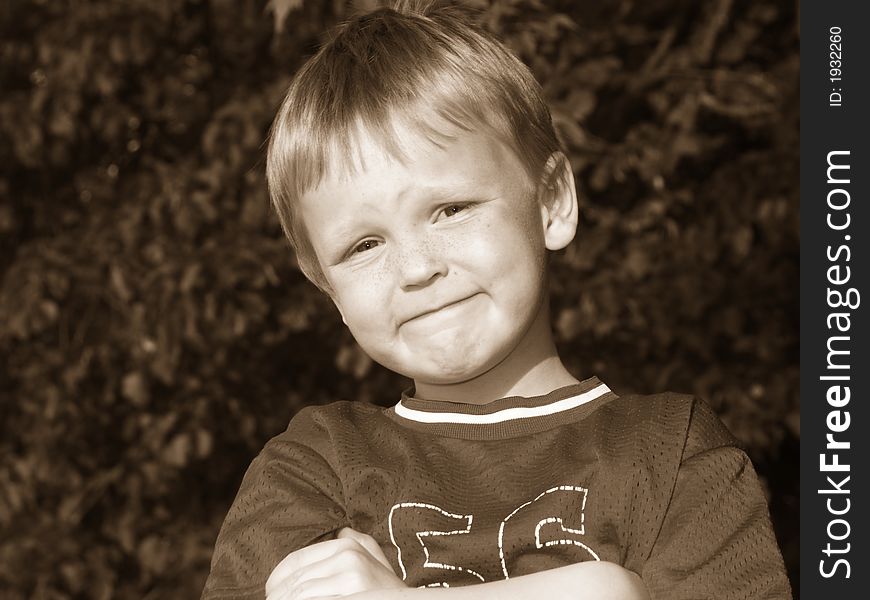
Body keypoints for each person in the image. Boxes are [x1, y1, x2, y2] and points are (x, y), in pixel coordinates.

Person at [201, 2, 792, 599]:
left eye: (450, 210)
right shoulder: (315, 465)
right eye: (363, 245)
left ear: (552, 201)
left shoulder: (671, 451)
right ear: (327, 286)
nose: (417, 269)